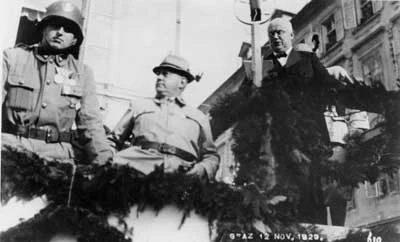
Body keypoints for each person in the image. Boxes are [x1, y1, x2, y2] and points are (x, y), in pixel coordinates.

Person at [2, 1, 112, 164]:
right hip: (11, 150)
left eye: (68, 29)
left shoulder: (82, 74)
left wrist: (106, 163)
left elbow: (91, 124)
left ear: (75, 40)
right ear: (43, 28)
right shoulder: (13, 58)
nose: (60, 32)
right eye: (55, 25)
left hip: (57, 159)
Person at [109, 54, 220, 182]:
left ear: (182, 82)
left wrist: (202, 170)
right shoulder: (139, 106)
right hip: (138, 173)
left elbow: (211, 155)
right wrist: (111, 162)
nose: (159, 77)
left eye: (165, 74)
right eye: (158, 74)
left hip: (180, 179)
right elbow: (112, 141)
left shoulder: (198, 117)